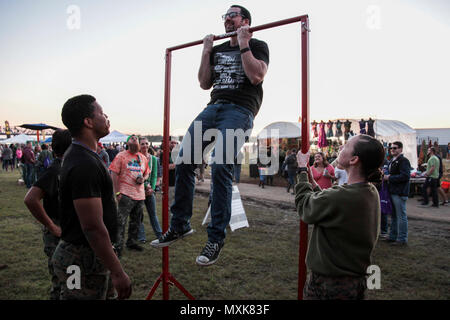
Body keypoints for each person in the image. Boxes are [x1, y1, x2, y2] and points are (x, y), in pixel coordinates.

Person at [151, 4, 269, 267]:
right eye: (225, 16)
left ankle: (216, 237)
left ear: (245, 20)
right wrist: (205, 51)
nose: (227, 19)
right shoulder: (217, 49)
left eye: (232, 15)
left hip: (240, 110)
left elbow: (256, 75)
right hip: (213, 107)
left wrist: (244, 44)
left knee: (220, 164)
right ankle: (180, 224)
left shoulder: (258, 44)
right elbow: (205, 83)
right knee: (183, 162)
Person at [53, 94, 132, 300]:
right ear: (88, 122)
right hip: (79, 260)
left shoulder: (83, 155)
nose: (107, 118)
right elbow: (92, 227)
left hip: (91, 257)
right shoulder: (84, 164)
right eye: (102, 113)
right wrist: (118, 271)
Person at [295, 134, 385, 300]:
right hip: (352, 281)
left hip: (331, 283)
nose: (341, 148)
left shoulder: (344, 196)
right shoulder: (369, 191)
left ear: (354, 160)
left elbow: (306, 207)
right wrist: (314, 185)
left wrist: (301, 169)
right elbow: (332, 206)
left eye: (346, 146)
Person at [24, 129, 72, 300]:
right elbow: (30, 199)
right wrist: (51, 226)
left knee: (71, 276)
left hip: (66, 227)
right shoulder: (55, 170)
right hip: (57, 229)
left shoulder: (67, 167)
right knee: (60, 277)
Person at [109, 135, 150, 256]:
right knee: (121, 222)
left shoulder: (142, 158)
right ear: (127, 143)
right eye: (132, 138)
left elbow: (147, 173)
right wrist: (117, 192)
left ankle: (131, 242)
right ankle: (118, 246)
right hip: (125, 194)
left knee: (136, 221)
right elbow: (114, 174)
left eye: (136, 138)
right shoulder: (121, 156)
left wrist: (143, 179)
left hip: (140, 195)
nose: (135, 139)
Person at [383, 141, 411, 245]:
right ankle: (393, 236)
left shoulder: (403, 161)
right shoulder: (393, 161)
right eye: (391, 148)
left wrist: (389, 177)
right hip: (393, 191)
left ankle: (402, 238)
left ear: (401, 149)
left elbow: (405, 176)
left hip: (399, 192)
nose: (392, 150)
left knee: (401, 216)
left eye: (395, 148)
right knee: (394, 216)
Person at [137, 137, 162, 243]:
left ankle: (160, 235)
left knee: (153, 214)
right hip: (138, 190)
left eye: (146, 143)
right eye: (142, 144)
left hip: (150, 190)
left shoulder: (154, 159)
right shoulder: (136, 158)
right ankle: (141, 237)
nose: (145, 146)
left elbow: (155, 175)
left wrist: (151, 188)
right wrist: (144, 187)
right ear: (139, 145)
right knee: (139, 214)